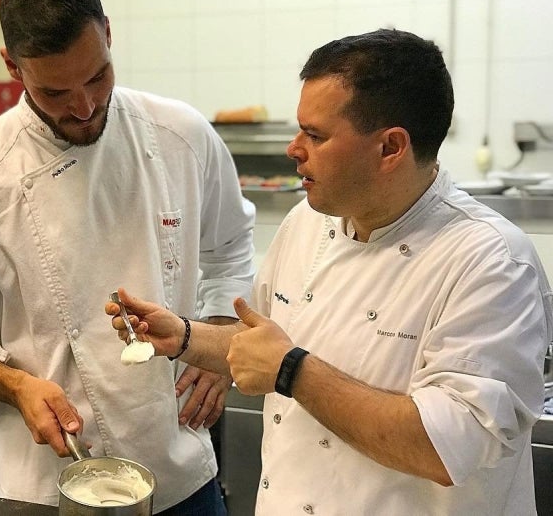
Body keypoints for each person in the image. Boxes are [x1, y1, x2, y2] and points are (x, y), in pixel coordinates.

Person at [107, 28, 553, 515]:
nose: (293, 149)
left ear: (391, 148)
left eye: (315, 135)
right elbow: (264, 345)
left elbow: (445, 447)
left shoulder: (489, 259)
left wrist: (292, 372)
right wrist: (186, 336)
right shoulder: (308, 222)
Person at [0, 0, 256, 513]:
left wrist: (218, 341)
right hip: (51, 483)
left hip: (182, 471)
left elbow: (229, 246)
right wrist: (16, 385)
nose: (86, 106)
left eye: (98, 76)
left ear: (109, 35)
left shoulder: (181, 134)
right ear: (12, 66)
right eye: (56, 92)